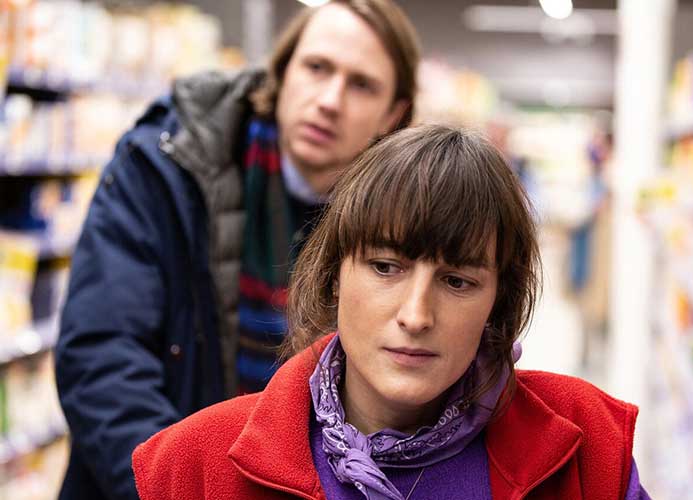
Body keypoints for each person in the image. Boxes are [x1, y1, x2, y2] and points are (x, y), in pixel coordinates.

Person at [131, 125, 650, 500]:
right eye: (385, 267)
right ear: (335, 275)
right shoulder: (193, 468)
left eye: (457, 281)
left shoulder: (588, 449)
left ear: (497, 303)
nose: (416, 315)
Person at [54, 2, 421, 499]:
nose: (330, 100)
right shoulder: (168, 166)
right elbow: (102, 357)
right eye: (316, 67)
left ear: (393, 113)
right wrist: (178, 487)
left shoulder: (401, 227)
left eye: (362, 85)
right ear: (282, 72)